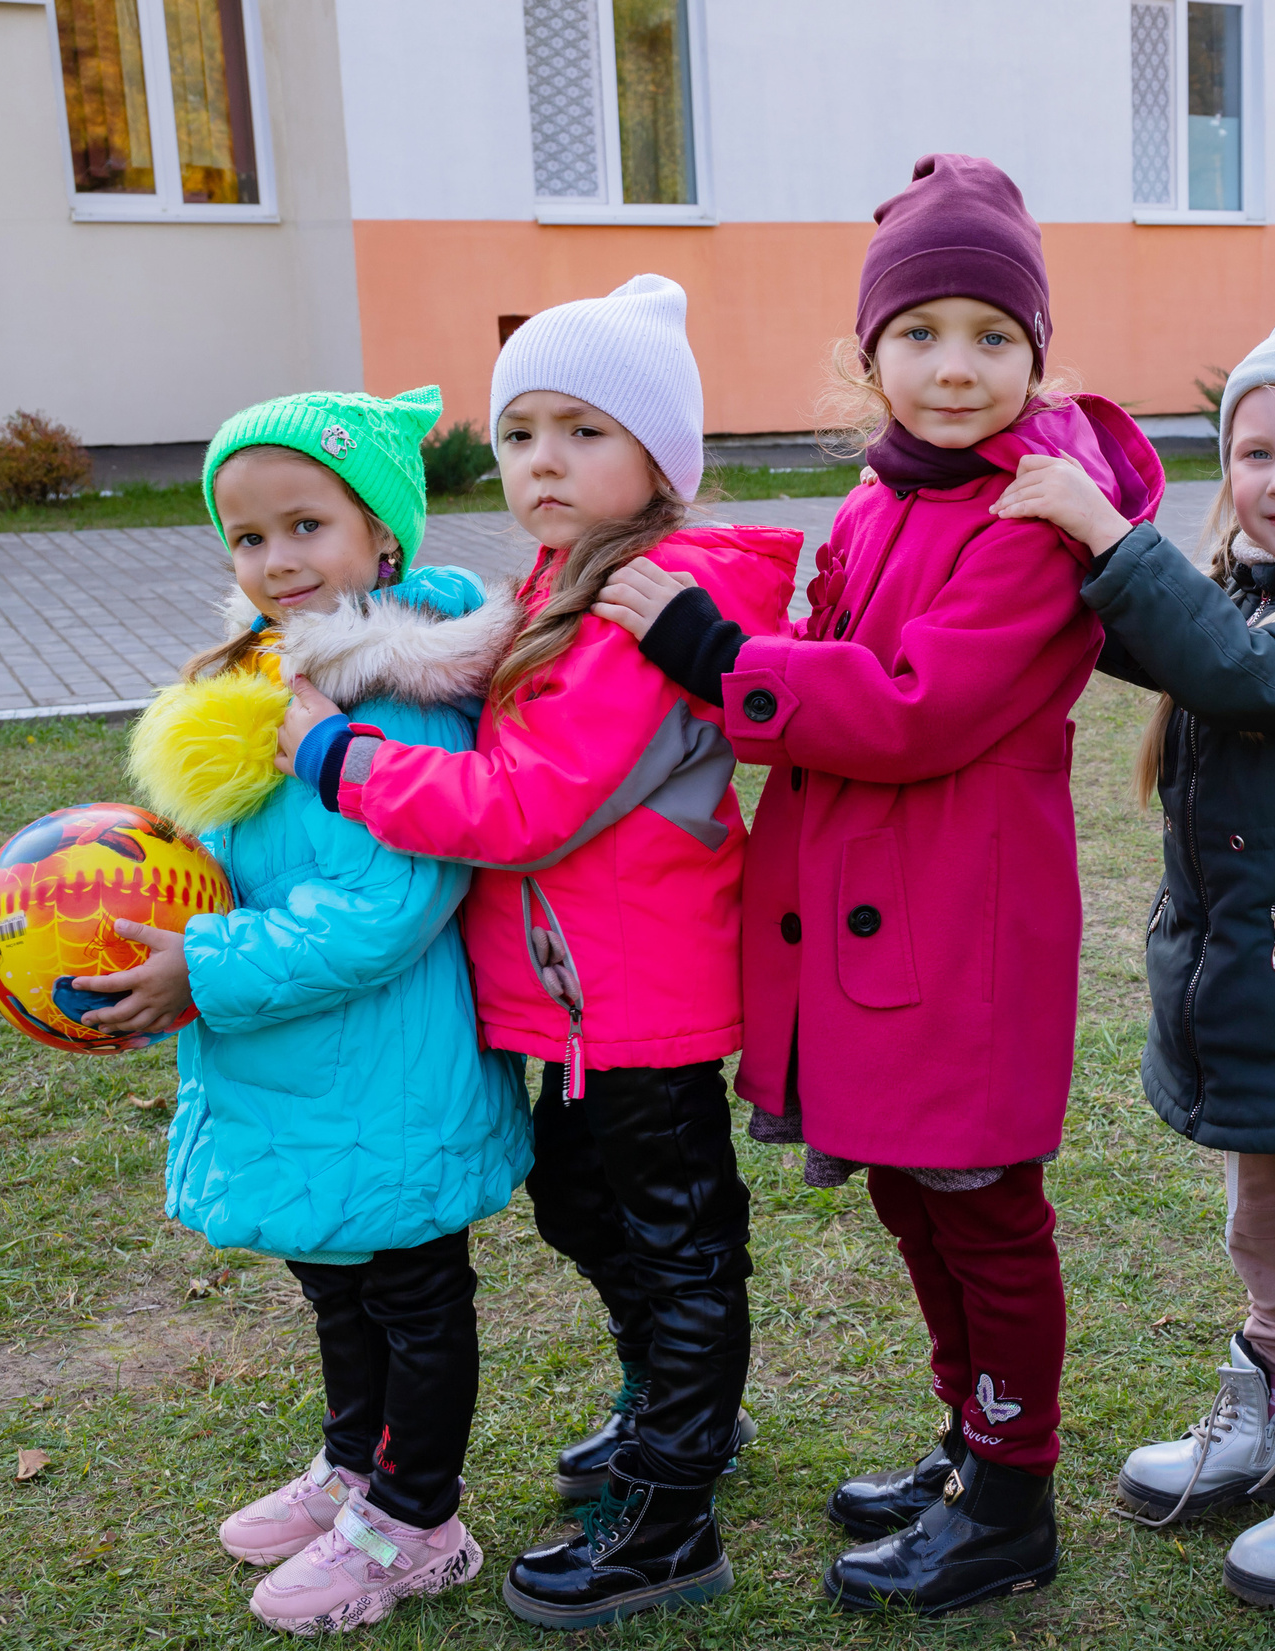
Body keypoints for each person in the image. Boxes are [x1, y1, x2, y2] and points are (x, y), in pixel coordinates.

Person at [591, 154, 1164, 1617]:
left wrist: (721, 657)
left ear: (1038, 352)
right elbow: (831, 641)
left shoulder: (1036, 510)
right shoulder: (881, 494)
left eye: (991, 336)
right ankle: (970, 1444)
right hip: (877, 923)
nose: (953, 367)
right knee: (915, 1198)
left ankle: (1013, 1494)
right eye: (919, 334)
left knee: (981, 1206)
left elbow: (914, 704)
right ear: (870, 353)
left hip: (959, 929)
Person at [276, 276, 800, 1631]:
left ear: (658, 459)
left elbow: (520, 808)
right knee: (584, 1211)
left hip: (638, 996)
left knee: (678, 1244)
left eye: (583, 429)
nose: (543, 461)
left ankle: (668, 1513)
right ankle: (672, 1415)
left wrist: (338, 755)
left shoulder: (641, 607)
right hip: (568, 1001)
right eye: (520, 433)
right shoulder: (562, 583)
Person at [994, 314, 1275, 1609]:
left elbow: (1241, 673)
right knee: (1270, 1227)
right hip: (1274, 1003)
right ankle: (1274, 1405)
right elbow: (1156, 632)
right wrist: (1055, 480)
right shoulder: (1261, 583)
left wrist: (1109, 533)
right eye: (1256, 449)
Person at [86, 387, 531, 1634]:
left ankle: (416, 1522)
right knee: (336, 1284)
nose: (277, 559)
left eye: (306, 526)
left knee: (412, 1294)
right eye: (248, 536)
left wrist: (205, 965)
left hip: (385, 1068)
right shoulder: (256, 680)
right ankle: (355, 1466)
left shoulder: (389, 697)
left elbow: (384, 907)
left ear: (382, 539)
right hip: (299, 1064)